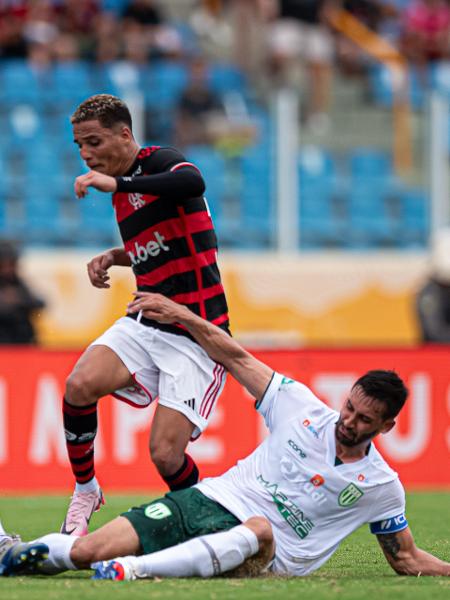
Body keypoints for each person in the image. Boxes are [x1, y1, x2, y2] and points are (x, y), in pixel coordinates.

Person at [4, 292, 449, 579]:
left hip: (266, 555)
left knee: (257, 528)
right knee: (87, 551)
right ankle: (9, 555)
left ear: (386, 427)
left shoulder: (381, 486)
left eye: (364, 420)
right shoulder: (301, 407)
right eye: (349, 407)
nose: (348, 420)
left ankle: (132, 570)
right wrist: (182, 315)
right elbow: (235, 357)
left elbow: (405, 558)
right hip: (209, 502)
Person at [60, 94, 230, 537]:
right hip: (147, 319)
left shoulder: (160, 163)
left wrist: (118, 186)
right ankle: (86, 489)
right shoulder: (123, 189)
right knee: (79, 385)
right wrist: (116, 257)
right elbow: (164, 248)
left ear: (125, 134)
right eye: (80, 145)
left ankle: (211, 527)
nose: (86, 154)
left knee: (165, 455)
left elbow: (193, 183)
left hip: (198, 332)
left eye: (93, 142)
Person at [0, 240, 46, 345]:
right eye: (3, 265)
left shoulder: (17, 282)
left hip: (21, 342)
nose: (7, 269)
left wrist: (18, 299)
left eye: (11, 264)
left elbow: (40, 303)